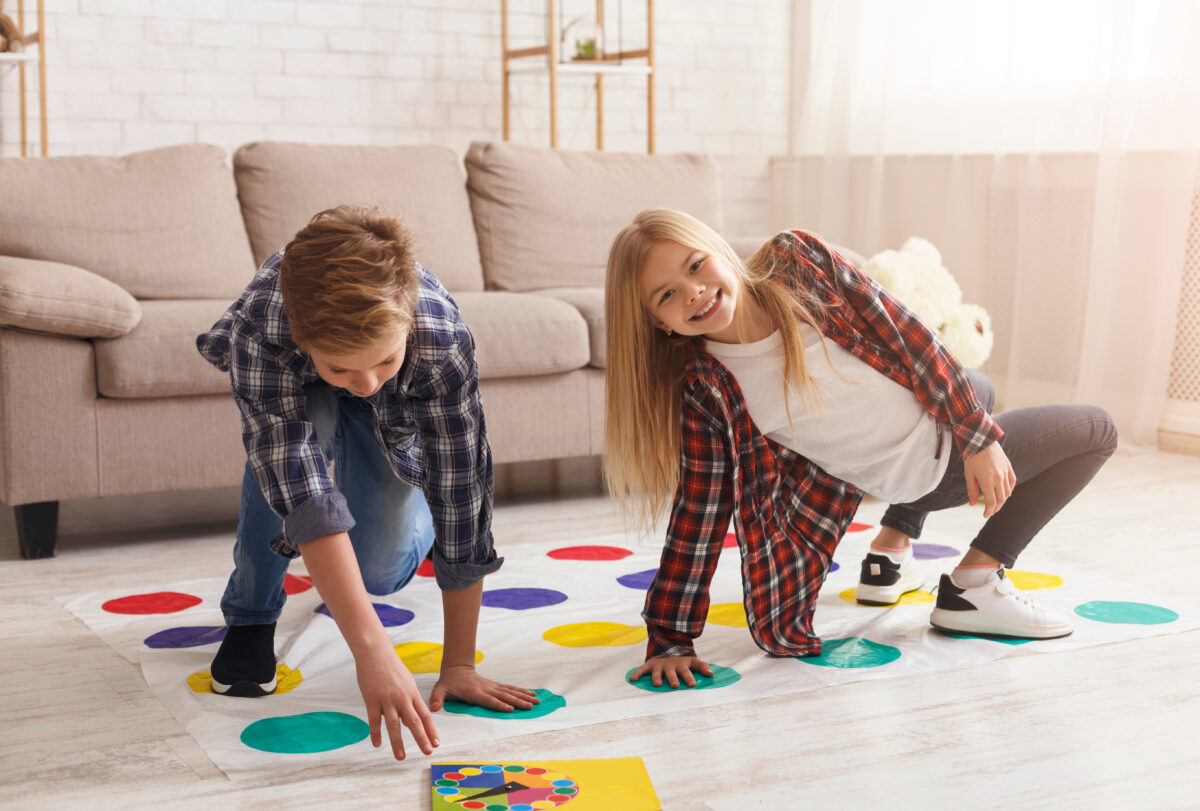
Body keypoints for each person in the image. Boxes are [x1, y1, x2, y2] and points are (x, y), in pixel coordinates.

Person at [604, 208, 1118, 688]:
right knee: (1098, 431)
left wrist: (977, 431)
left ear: (718, 249)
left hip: (929, 437)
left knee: (975, 386)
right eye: (667, 296)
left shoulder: (796, 264)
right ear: (659, 324)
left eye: (696, 265)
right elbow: (700, 511)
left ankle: (891, 549)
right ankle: (975, 584)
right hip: (930, 467)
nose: (693, 291)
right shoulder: (709, 389)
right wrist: (670, 635)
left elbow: (906, 334)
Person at [196, 206, 537, 757]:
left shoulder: (441, 334)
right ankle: (252, 616)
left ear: (405, 326)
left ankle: (414, 521)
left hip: (401, 425)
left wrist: (459, 663)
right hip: (298, 402)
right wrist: (372, 650)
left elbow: (463, 487)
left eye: (384, 361)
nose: (367, 383)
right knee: (282, 459)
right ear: (305, 340)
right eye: (342, 369)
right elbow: (295, 480)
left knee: (378, 574)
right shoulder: (260, 327)